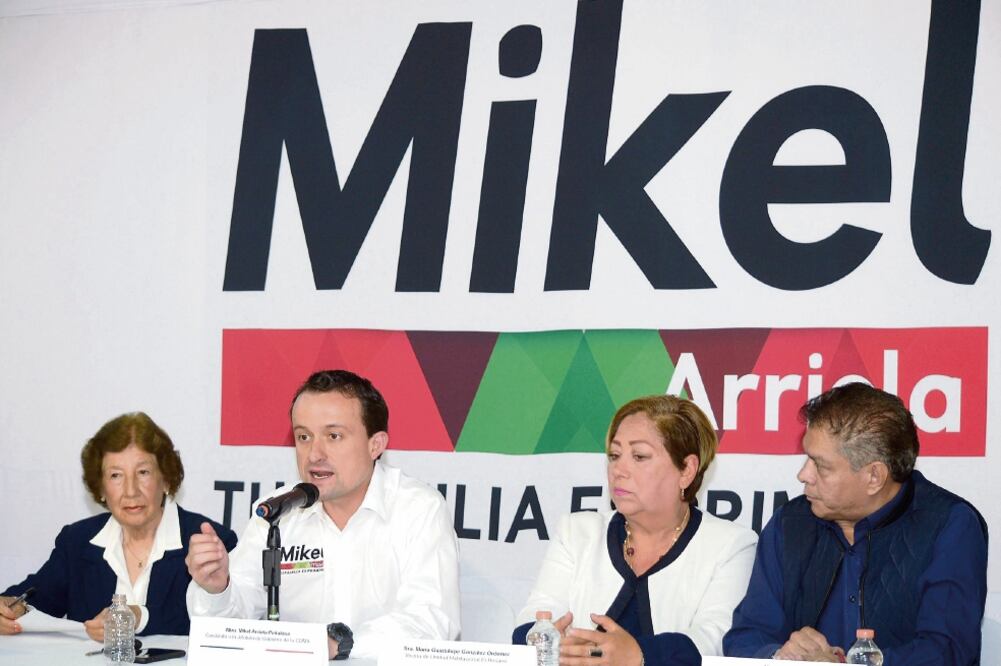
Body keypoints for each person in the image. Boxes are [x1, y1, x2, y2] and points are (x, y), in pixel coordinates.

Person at [186, 369, 461, 659]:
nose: (314, 453)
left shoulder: (418, 508)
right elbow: (230, 625)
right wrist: (218, 589)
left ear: (375, 445)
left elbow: (431, 620)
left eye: (334, 436)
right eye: (303, 436)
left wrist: (337, 643)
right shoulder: (279, 510)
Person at [723, 382, 989, 663]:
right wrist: (781, 657)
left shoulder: (949, 526)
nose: (803, 475)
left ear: (874, 477)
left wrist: (845, 665)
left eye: (820, 465)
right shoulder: (789, 524)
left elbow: (948, 651)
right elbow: (746, 637)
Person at [513, 395, 758, 666]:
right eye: (614, 455)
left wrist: (639, 655)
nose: (619, 469)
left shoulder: (732, 545)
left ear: (687, 470)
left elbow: (717, 640)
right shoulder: (576, 533)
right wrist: (547, 643)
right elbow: (533, 619)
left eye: (639, 456)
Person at [0, 412, 237, 639]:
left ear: (165, 478)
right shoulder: (78, 541)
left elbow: (224, 627)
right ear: (101, 488)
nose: (131, 491)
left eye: (143, 472)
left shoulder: (210, 543)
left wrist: (137, 617)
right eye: (116, 476)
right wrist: (13, 609)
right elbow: (33, 599)